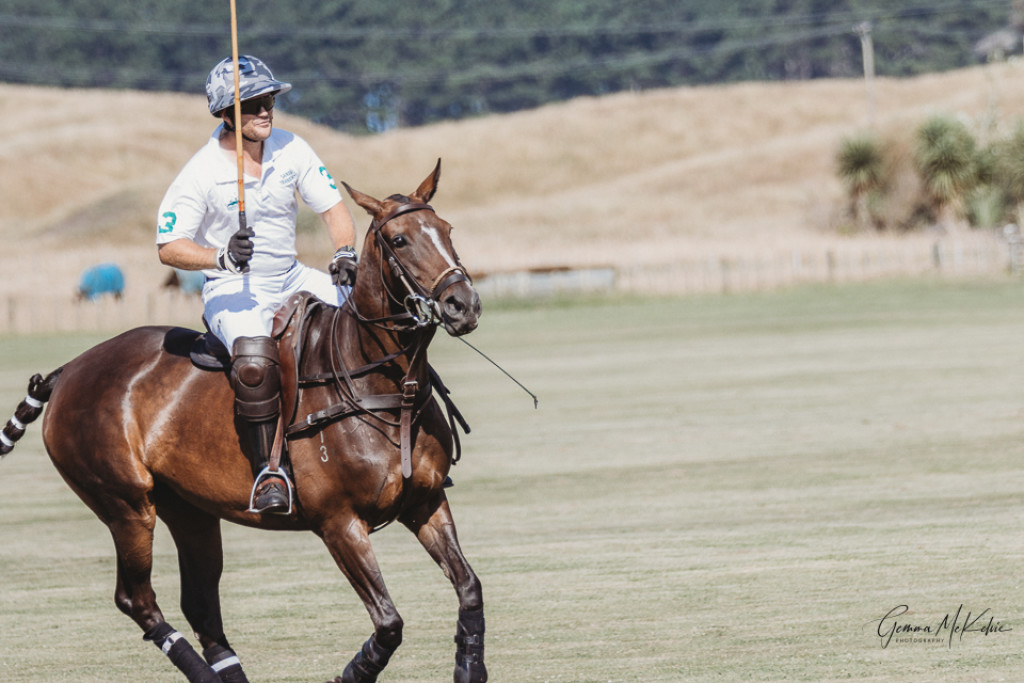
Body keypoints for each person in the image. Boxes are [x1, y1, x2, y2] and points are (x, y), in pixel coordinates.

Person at [156, 55, 358, 514]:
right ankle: (270, 473)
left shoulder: (291, 148)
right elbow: (169, 246)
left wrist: (344, 251)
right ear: (226, 114)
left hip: (291, 275)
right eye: (253, 104)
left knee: (370, 314)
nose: (266, 110)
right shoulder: (201, 171)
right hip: (233, 287)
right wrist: (220, 256)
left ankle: (408, 431)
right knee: (253, 360)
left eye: (269, 100)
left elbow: (333, 209)